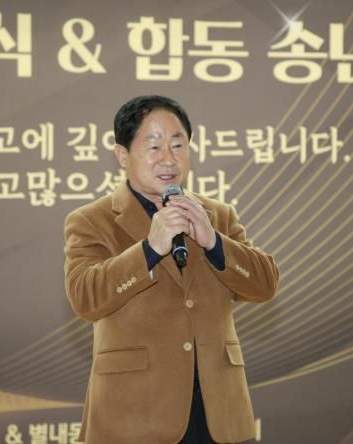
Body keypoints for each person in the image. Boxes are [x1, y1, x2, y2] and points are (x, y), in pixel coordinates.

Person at [63, 95, 279, 444]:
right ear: (122, 155)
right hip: (135, 417)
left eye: (178, 145)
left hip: (218, 414)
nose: (168, 158)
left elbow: (265, 285)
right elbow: (86, 299)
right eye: (154, 146)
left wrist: (215, 242)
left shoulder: (217, 215)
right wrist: (149, 249)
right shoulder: (92, 220)